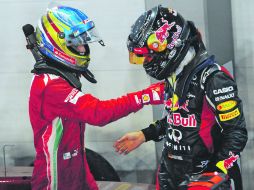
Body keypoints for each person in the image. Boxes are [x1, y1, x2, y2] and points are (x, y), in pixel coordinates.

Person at [25, 5, 165, 190]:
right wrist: (147, 95)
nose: (83, 48)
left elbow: (74, 151)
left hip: (74, 176)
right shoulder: (50, 86)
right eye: (77, 43)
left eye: (83, 42)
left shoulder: (60, 78)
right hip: (54, 182)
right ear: (56, 44)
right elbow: (98, 113)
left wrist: (89, 184)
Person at [113, 5, 248, 190]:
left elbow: (236, 134)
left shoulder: (213, 78)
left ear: (169, 47)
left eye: (148, 56)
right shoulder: (176, 73)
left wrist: (214, 173)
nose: (146, 62)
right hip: (172, 174)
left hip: (206, 179)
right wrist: (145, 134)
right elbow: (178, 120)